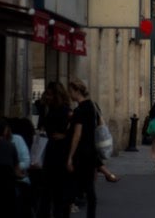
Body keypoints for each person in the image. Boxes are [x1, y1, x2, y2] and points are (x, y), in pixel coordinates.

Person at [37, 81, 71, 218]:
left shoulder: (65, 110)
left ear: (57, 95)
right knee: (48, 189)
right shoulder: (48, 108)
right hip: (51, 149)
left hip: (59, 151)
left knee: (57, 190)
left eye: (50, 94)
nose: (48, 96)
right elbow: (42, 125)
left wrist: (64, 136)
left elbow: (76, 130)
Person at [67, 78, 98, 218]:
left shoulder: (80, 110)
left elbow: (77, 134)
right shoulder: (91, 106)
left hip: (80, 153)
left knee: (72, 184)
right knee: (89, 187)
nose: (70, 94)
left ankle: (67, 209)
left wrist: (70, 156)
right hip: (90, 150)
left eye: (71, 91)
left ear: (77, 91)